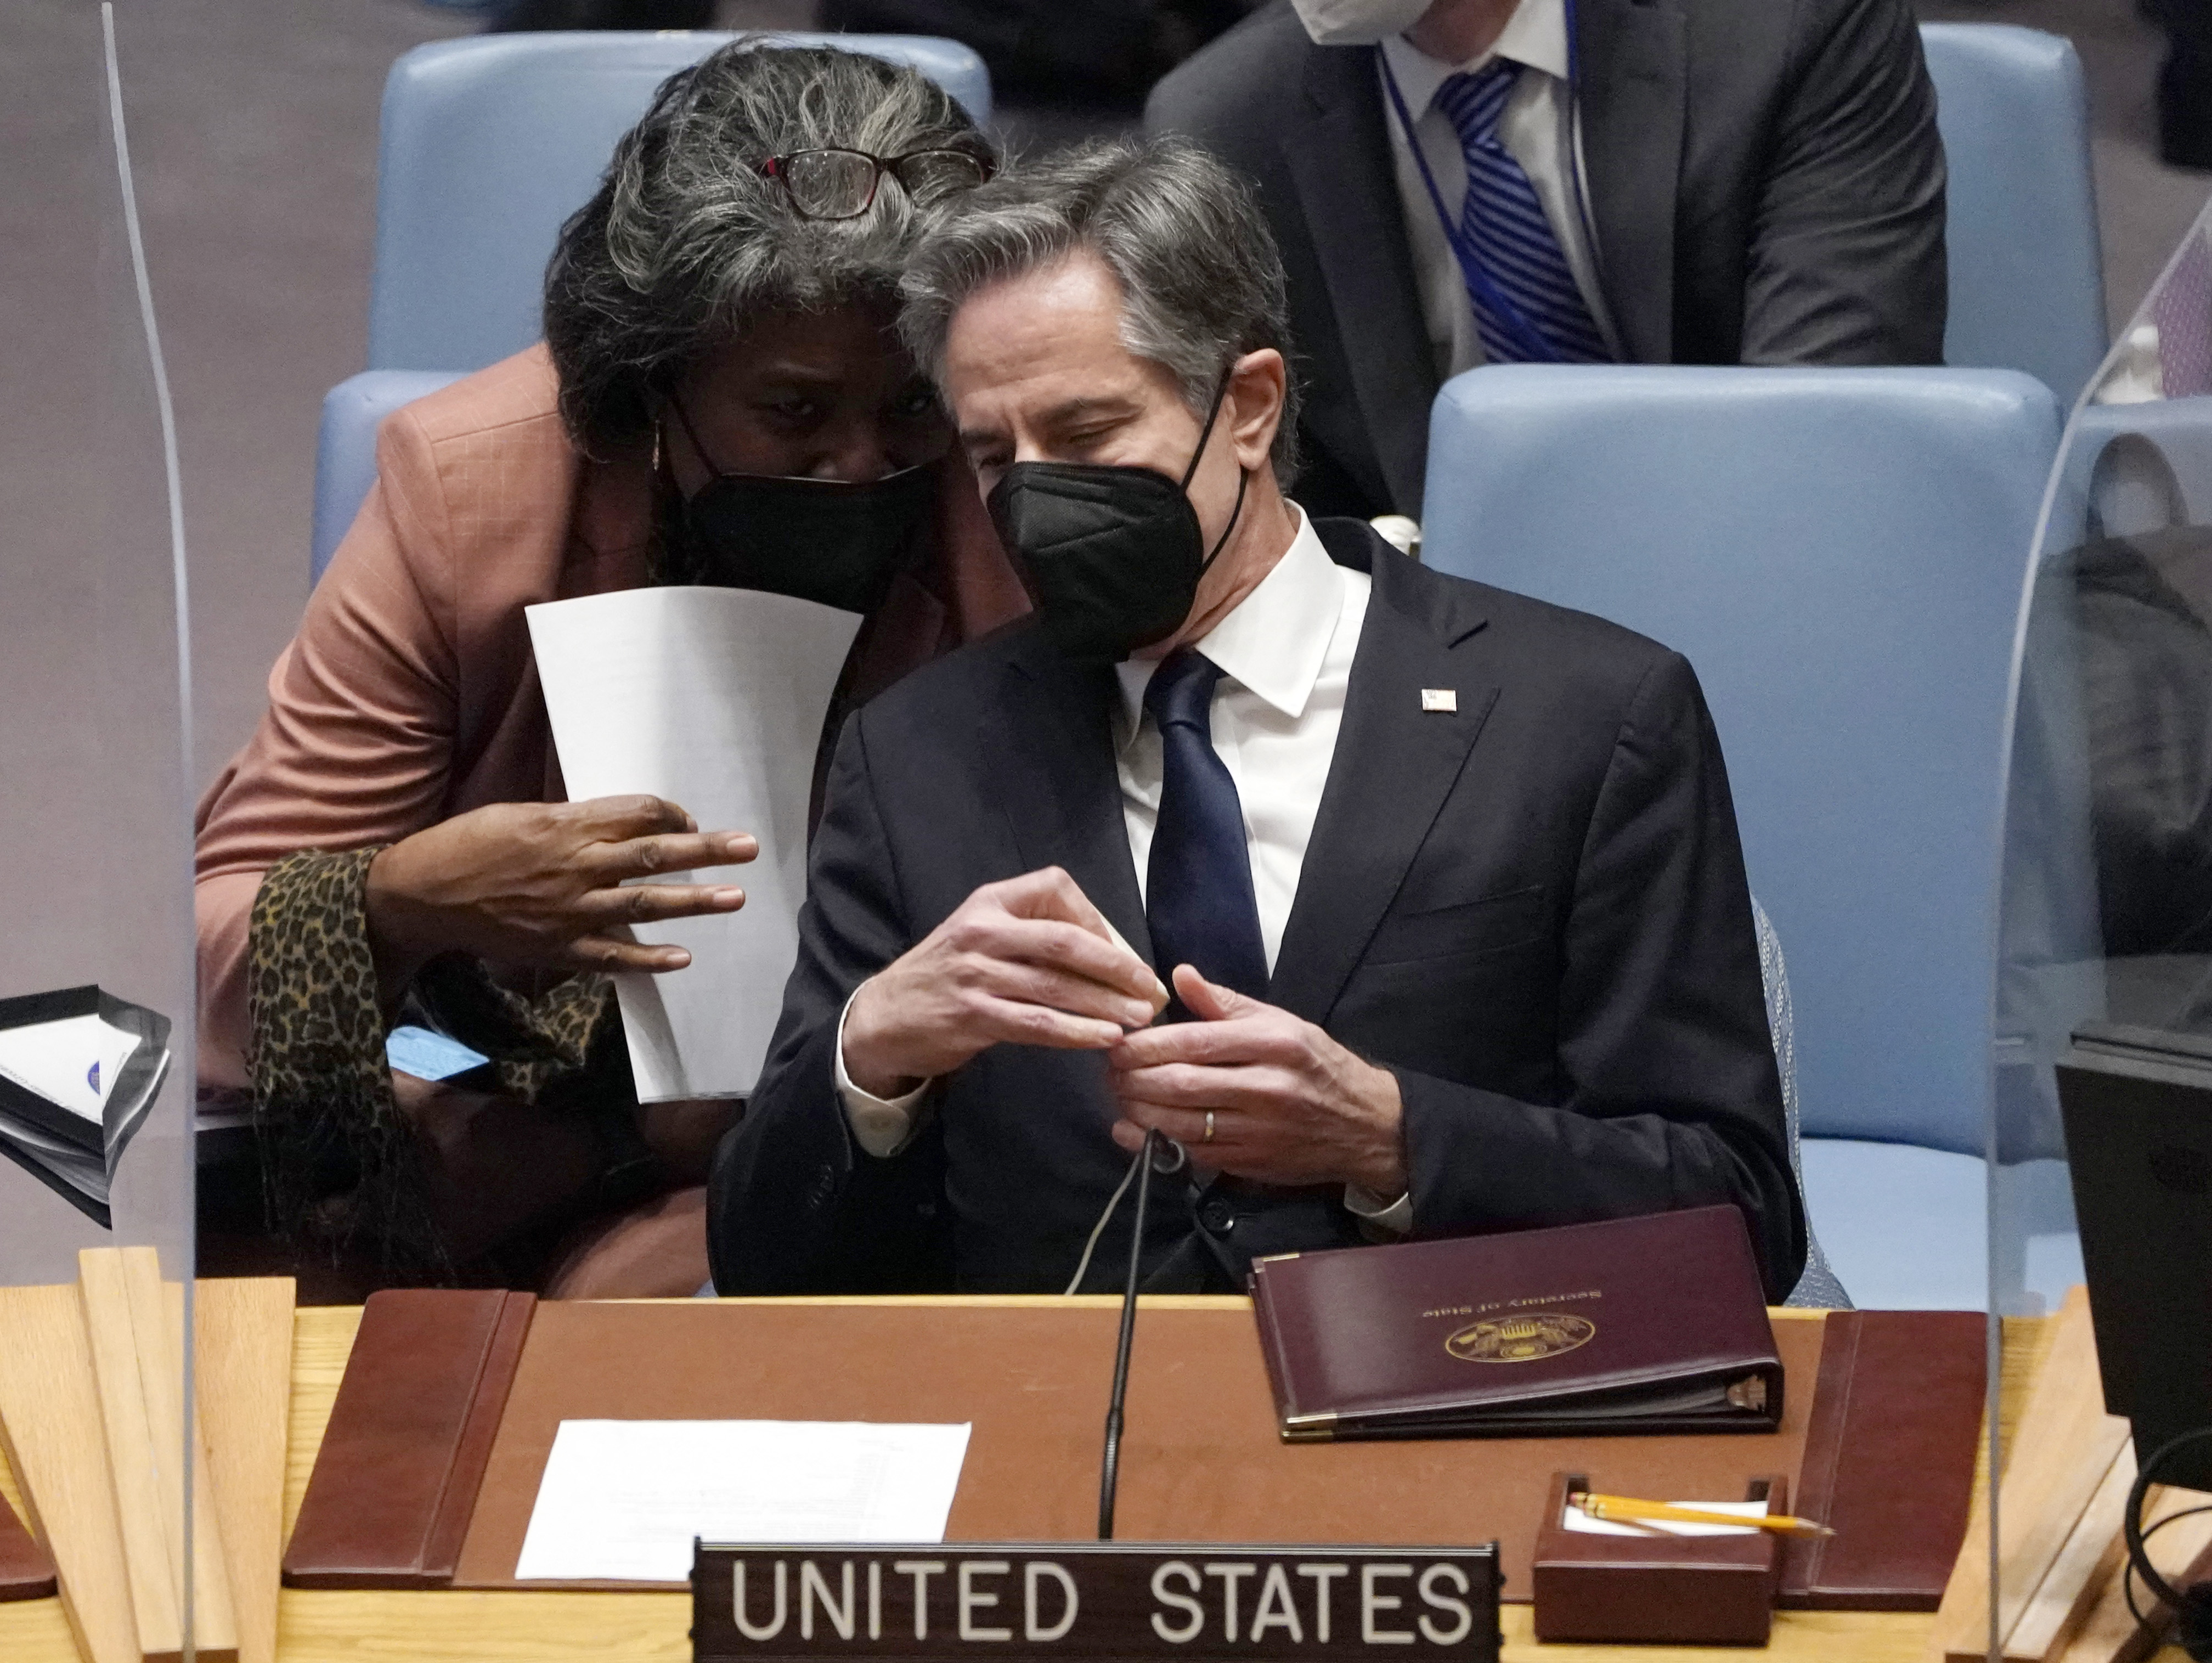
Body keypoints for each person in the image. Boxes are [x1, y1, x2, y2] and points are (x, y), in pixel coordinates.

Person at [710, 138, 1801, 1299]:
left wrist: (1389, 1138)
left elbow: (1738, 1218)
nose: (1030, 497)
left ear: (1246, 406)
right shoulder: (915, 755)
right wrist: (869, 1057)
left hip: (1451, 1406)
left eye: (1083, 437)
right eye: (992, 454)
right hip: (1059, 1431)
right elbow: (770, 1271)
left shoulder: (1581, 717)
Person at [195, 42, 1026, 1300]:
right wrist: (403, 897)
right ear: (649, 386)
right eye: (794, 415)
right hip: (499, 1106)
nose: (863, 465)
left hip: (880, 1124)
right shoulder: (470, 494)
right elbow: (216, 953)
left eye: (908, 407)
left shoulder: (1004, 491)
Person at [1144, 0, 1948, 522]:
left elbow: (1829, 438)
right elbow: (1276, 506)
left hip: (1769, 560)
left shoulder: (1790, 27)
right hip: (1460, 649)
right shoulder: (1225, 124)